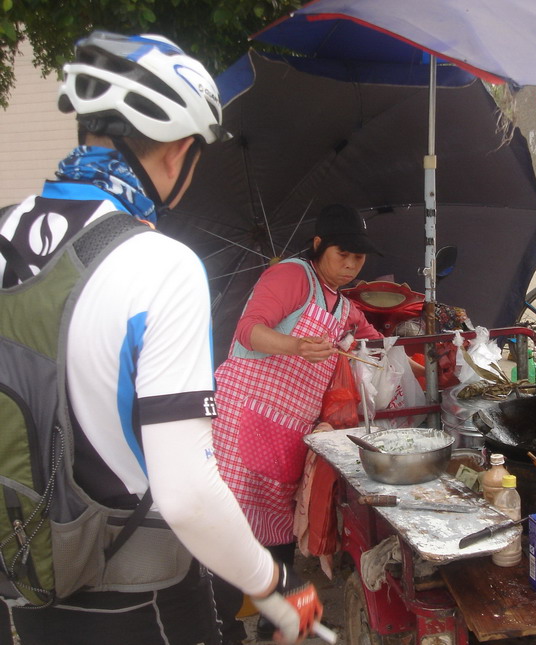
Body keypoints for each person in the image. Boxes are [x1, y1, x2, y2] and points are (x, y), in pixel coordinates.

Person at [0, 31, 321, 645]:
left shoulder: (6, 230)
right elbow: (188, 494)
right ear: (177, 151)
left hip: (14, 585)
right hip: (133, 601)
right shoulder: (161, 266)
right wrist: (273, 585)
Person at [211, 202, 385, 637]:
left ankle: (276, 625)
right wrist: (296, 346)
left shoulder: (343, 306)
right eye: (342, 254)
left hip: (289, 432)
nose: (351, 265)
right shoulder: (291, 276)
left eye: (359, 257)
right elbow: (248, 330)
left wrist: (416, 359)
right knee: (231, 529)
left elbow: (375, 343)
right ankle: (223, 630)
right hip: (246, 416)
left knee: (277, 531)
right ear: (318, 245)